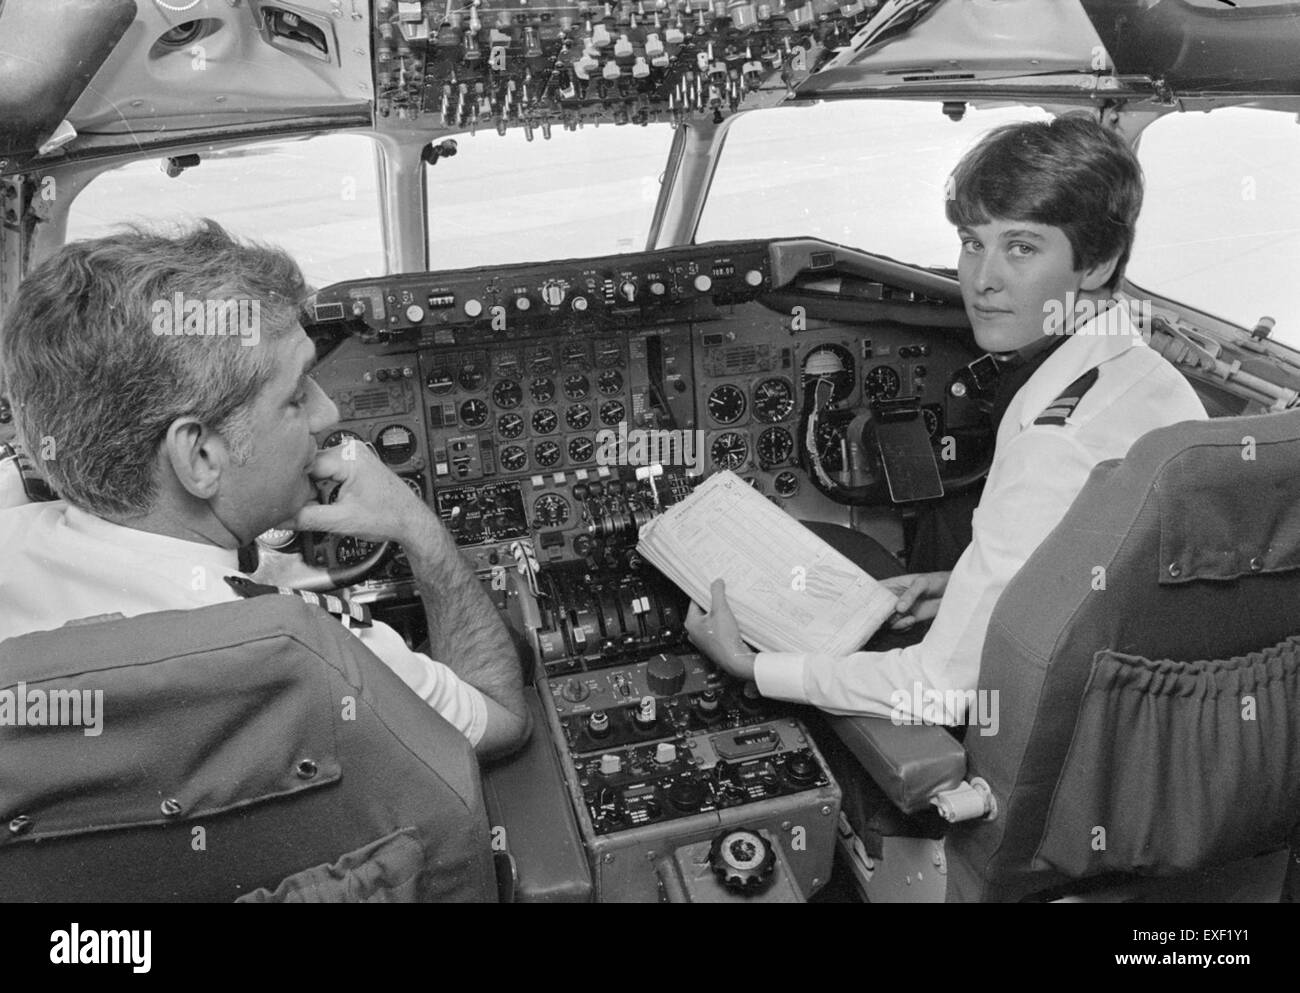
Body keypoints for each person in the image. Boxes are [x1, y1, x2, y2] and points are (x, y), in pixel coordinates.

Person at [685, 116, 1208, 726]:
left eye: (1022, 247)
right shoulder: (1146, 377)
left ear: (1096, 265)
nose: (982, 281)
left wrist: (752, 666)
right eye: (972, 242)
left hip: (1052, 725)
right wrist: (953, 586)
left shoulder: (1056, 442)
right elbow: (1087, 576)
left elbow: (939, 690)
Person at [0, 220, 530, 758]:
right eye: (297, 393)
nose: (330, 412)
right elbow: (504, 719)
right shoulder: (308, 649)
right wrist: (421, 531)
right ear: (200, 457)